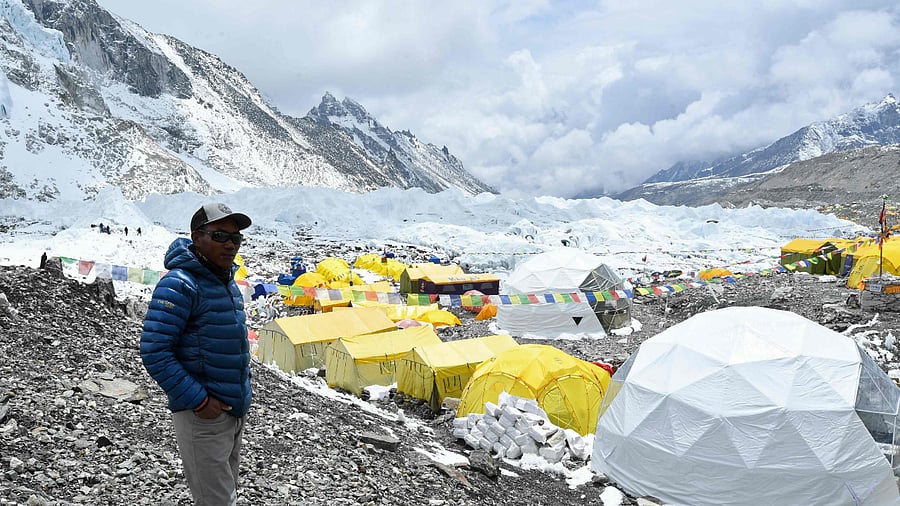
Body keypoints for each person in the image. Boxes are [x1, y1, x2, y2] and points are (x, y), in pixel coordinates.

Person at [140, 203, 252, 505]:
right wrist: (200, 401)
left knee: (224, 493)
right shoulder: (179, 284)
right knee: (216, 499)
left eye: (235, 238)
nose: (230, 244)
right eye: (219, 235)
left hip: (230, 411)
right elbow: (154, 350)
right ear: (196, 237)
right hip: (203, 414)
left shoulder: (224, 281)